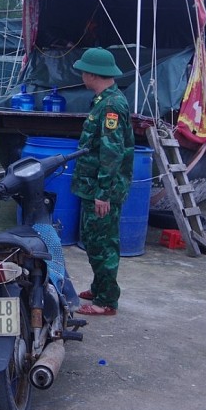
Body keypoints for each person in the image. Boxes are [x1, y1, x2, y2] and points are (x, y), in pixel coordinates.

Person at [70, 48, 134, 316]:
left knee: (102, 243)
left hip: (102, 189)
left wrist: (103, 193)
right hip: (93, 185)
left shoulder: (110, 106)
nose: (82, 75)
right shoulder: (103, 100)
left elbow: (111, 152)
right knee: (95, 239)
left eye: (84, 71)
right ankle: (100, 287)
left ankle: (106, 300)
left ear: (91, 73)